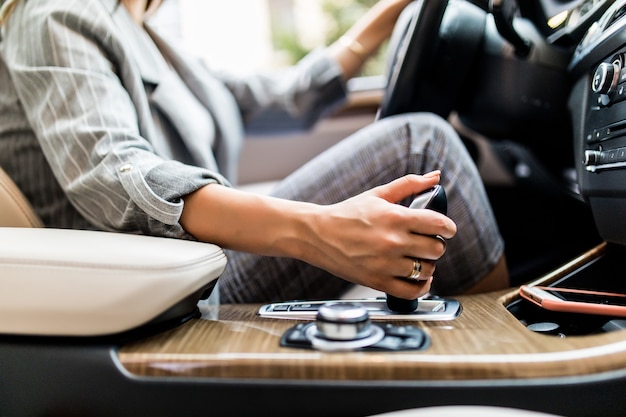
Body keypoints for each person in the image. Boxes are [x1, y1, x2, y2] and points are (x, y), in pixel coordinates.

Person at [0, 0, 509, 304]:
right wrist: (318, 231)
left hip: (199, 262)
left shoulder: (143, 33)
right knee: (422, 144)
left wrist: (391, 13)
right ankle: (510, 366)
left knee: (426, 144)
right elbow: (115, 175)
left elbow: (280, 101)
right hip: (169, 291)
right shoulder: (56, 13)